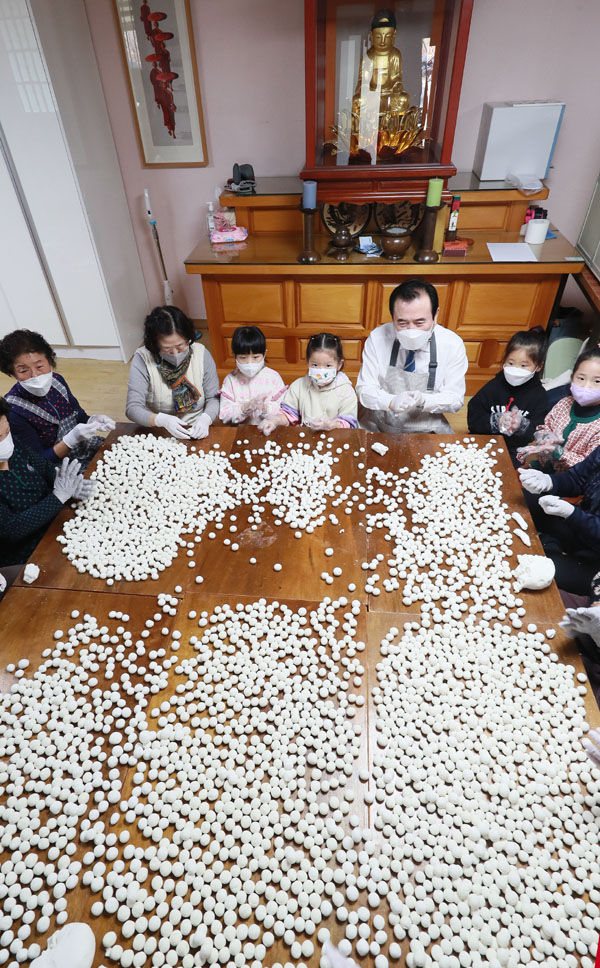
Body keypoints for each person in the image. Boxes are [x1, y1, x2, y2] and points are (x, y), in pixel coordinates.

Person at [0, 396, 94, 585]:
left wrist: (63, 480)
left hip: (56, 522)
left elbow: (42, 466)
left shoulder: (13, 446)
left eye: (6, 432)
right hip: (27, 550)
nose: (5, 441)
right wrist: (58, 497)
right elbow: (11, 529)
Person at [356, 278, 468, 433]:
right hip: (380, 422)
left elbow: (455, 399)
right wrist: (391, 401)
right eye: (402, 323)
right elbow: (364, 389)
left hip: (428, 425)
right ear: (392, 317)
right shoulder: (377, 338)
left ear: (435, 315)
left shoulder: (452, 344)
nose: (411, 331)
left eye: (420, 322)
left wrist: (424, 400)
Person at [0, 329, 115, 468]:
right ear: (13, 373)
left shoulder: (57, 381)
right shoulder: (14, 411)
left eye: (40, 366)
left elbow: (79, 416)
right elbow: (38, 462)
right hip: (57, 465)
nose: (35, 375)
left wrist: (92, 420)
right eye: (23, 370)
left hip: (83, 447)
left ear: (49, 360)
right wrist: (70, 441)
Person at [125, 306, 219, 439]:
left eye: (181, 346)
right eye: (167, 348)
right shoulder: (143, 359)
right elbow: (133, 408)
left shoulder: (201, 354)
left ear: (189, 338)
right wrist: (161, 420)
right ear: (155, 345)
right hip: (158, 431)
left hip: (196, 428)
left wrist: (206, 418)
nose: (175, 353)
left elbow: (213, 398)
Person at [518, 446, 600, 596]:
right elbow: (577, 478)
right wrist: (549, 482)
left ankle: (548, 543)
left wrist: (572, 514)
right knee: (525, 499)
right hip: (580, 528)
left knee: (536, 570)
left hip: (595, 561)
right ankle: (549, 542)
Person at [467, 327, 548, 464]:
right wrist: (495, 421)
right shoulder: (493, 387)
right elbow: (473, 418)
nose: (516, 369)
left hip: (513, 448)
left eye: (523, 365)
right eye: (511, 363)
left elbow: (537, 431)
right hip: (483, 439)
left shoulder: (539, 396)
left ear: (538, 366)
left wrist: (522, 426)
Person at [517, 348, 600, 471]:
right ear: (572, 378)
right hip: (541, 468)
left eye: (597, 381)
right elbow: (546, 427)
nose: (586, 386)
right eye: (581, 378)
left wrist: (558, 452)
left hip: (571, 479)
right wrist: (544, 437)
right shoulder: (564, 403)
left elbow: (589, 465)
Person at [259, 333, 358, 435]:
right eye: (315, 365)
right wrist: (274, 421)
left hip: (335, 439)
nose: (321, 371)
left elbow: (349, 424)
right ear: (308, 362)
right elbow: (288, 415)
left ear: (339, 365)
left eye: (328, 365)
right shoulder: (298, 386)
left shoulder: (346, 391)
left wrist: (331, 424)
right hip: (305, 439)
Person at [219, 326, 286, 425]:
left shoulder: (273, 378)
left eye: (255, 357)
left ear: (264, 354)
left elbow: (283, 411)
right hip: (240, 430)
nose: (249, 363)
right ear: (234, 356)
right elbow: (224, 415)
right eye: (243, 357)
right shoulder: (230, 380)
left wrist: (265, 408)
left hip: (269, 430)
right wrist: (243, 408)